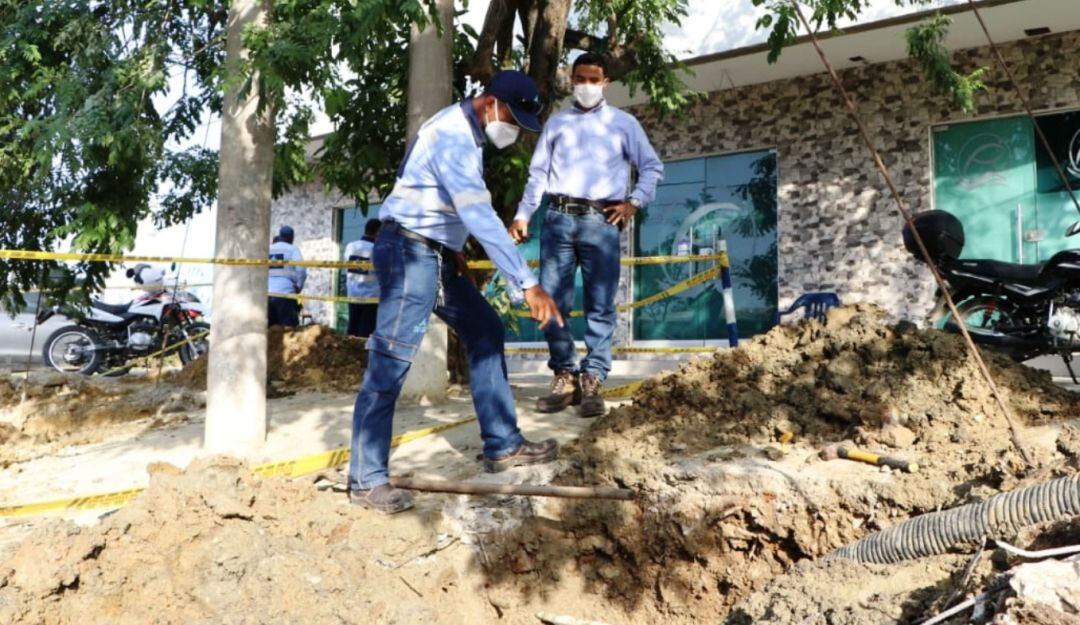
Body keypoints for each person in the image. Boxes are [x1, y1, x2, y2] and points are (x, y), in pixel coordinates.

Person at [348, 70, 565, 514]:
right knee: (391, 359)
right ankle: (365, 480)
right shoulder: (452, 135)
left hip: (433, 252)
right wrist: (527, 282)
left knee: (485, 331)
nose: (516, 131)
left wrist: (452, 247)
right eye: (514, 118)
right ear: (490, 104)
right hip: (410, 251)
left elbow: (442, 201)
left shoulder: (468, 132)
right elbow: (480, 214)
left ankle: (503, 445)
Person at [510, 52, 664, 418]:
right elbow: (538, 175)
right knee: (550, 302)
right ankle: (564, 375)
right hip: (559, 218)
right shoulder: (557, 124)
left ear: (606, 82)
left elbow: (652, 168)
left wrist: (633, 203)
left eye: (594, 79)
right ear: (571, 79)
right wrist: (522, 214)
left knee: (599, 304)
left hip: (601, 221)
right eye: (580, 78)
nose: (586, 85)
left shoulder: (624, 124)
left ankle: (592, 378)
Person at [343, 219, 382, 337]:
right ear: (378, 232)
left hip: (353, 295)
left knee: (352, 330)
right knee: (365, 334)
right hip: (371, 298)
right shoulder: (377, 249)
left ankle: (350, 355)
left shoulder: (350, 246)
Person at [268, 225, 306, 327]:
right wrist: (299, 286)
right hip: (285, 293)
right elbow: (301, 269)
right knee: (288, 329)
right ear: (292, 238)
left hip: (267, 293)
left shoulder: (268, 249)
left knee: (270, 329)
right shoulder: (293, 249)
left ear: (280, 236)